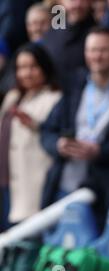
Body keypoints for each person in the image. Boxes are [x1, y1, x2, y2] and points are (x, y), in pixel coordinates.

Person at [41, 27, 109, 230]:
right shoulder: (74, 86)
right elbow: (47, 130)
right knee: (56, 256)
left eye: (102, 50)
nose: (96, 56)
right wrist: (58, 144)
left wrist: (101, 152)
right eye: (91, 50)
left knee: (92, 259)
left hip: (106, 192)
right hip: (63, 184)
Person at [0, 43, 62, 231]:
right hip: (7, 180)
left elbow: (52, 134)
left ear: (44, 67)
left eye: (33, 67)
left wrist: (36, 126)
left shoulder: (54, 97)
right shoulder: (13, 97)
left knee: (29, 235)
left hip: (33, 180)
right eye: (21, 68)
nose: (26, 73)